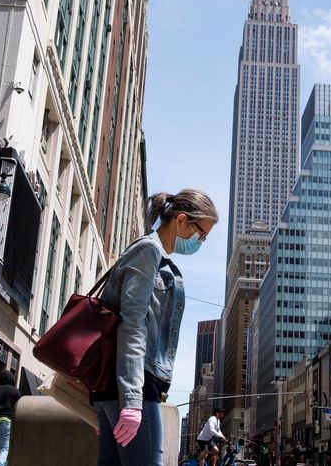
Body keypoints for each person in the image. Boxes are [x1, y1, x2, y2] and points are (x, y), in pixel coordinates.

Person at [92, 189, 218, 466]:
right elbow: (133, 325)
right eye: (202, 234)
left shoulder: (154, 255)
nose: (201, 242)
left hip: (116, 387)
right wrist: (131, 400)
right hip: (132, 385)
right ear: (182, 221)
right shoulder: (148, 250)